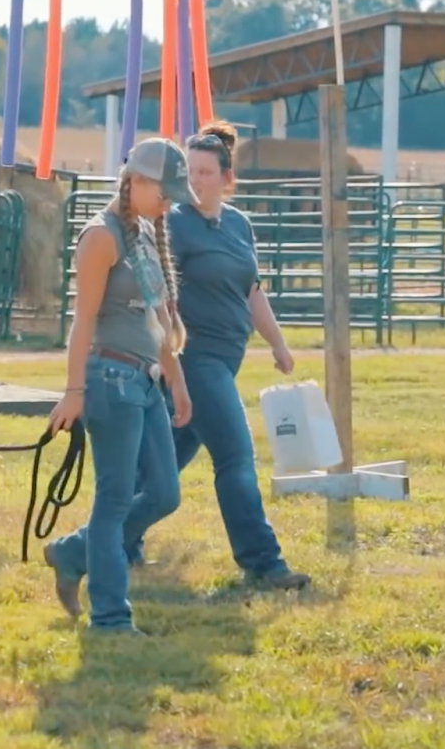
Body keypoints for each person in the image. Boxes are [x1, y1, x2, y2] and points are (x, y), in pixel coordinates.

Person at [125, 121, 310, 591]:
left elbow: (252, 291)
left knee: (164, 464)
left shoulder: (239, 224)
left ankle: (110, 539)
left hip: (227, 359)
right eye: (192, 171)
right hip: (195, 358)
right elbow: (157, 289)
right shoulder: (174, 223)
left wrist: (278, 343)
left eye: (207, 172)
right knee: (236, 457)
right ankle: (263, 562)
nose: (198, 180)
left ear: (227, 178)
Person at [43, 136, 197, 634]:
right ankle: (110, 618)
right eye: (165, 191)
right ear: (137, 180)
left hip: (147, 382)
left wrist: (176, 382)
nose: (170, 201)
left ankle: (71, 551)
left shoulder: (147, 235)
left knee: (165, 493)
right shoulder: (100, 238)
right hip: (109, 379)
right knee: (112, 501)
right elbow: (82, 321)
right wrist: (73, 391)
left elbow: (157, 319)